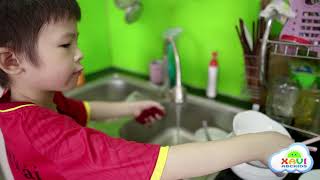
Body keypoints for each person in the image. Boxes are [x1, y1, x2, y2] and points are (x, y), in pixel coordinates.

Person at [0, 0, 293, 180]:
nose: (79, 54)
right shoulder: (40, 132)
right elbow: (155, 164)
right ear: (11, 60)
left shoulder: (32, 102)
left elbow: (83, 110)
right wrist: (258, 145)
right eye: (66, 45)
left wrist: (130, 108)